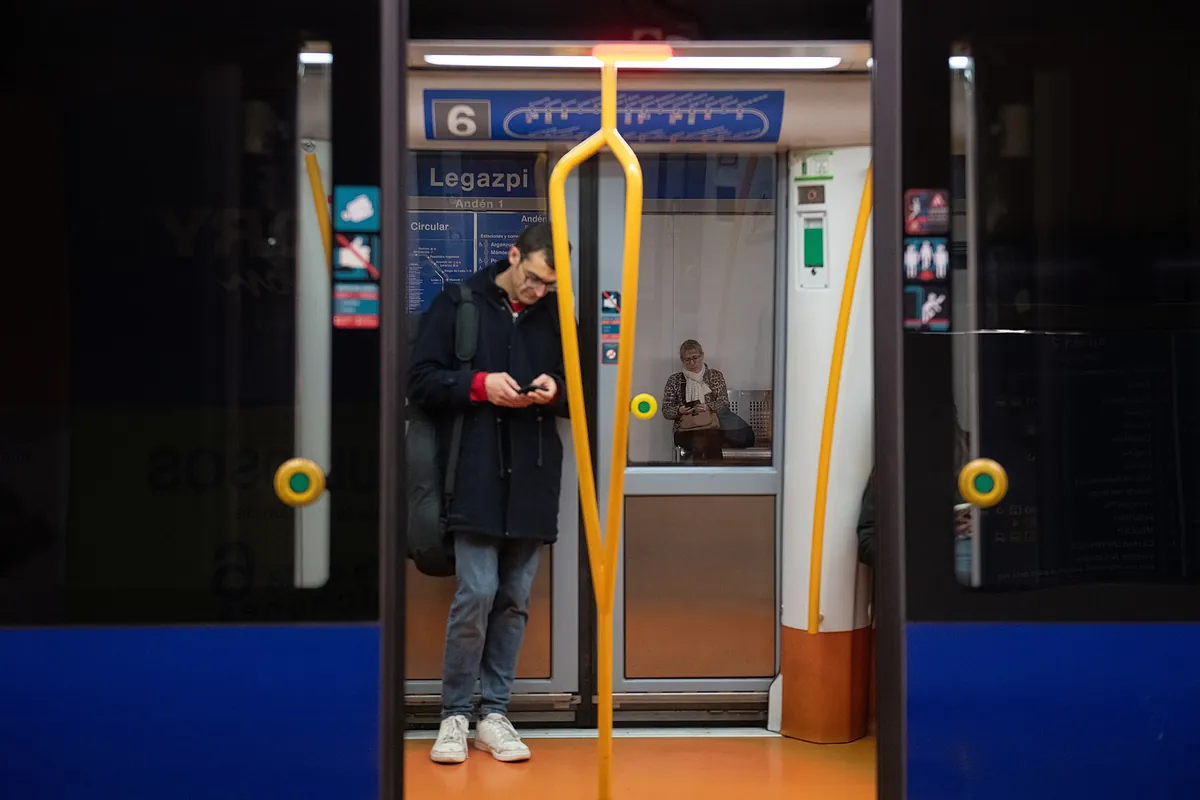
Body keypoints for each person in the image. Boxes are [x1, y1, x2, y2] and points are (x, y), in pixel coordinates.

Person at [408, 221, 569, 765]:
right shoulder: (458, 303)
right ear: (513, 255)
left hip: (533, 473)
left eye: (549, 284)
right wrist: (479, 385)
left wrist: (554, 393)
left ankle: (494, 713)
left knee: (515, 600)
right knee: (476, 592)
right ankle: (454, 713)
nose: (539, 291)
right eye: (535, 278)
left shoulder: (555, 315)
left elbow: (583, 390)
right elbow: (421, 380)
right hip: (471, 473)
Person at [660, 339, 729, 463]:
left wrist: (708, 407)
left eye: (695, 358)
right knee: (702, 439)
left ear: (702, 356)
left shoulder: (714, 376)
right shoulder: (674, 380)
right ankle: (714, 476)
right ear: (682, 360)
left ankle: (698, 475)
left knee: (707, 438)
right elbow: (666, 411)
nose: (692, 362)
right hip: (685, 430)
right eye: (687, 359)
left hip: (711, 427)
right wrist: (679, 410)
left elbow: (724, 404)